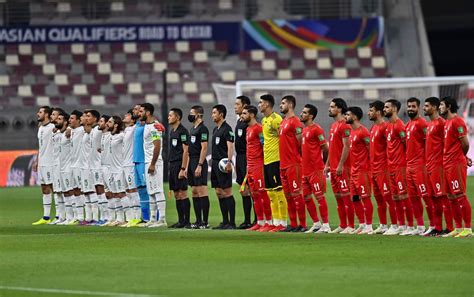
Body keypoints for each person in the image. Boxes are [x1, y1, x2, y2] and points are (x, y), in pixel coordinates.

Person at [439, 96, 472, 238]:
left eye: (441, 105)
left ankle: (468, 229)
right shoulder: (447, 123)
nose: (440, 107)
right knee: (451, 196)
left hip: (455, 163)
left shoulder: (458, 121)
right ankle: (458, 228)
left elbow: (465, 143)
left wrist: (462, 157)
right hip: (447, 163)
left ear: (449, 106)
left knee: (460, 195)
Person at [382, 99, 414, 235]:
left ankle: (411, 226)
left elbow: (406, 144)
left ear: (394, 109)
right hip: (391, 167)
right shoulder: (388, 126)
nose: (384, 109)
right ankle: (400, 225)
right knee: (395, 197)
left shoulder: (400, 125)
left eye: (387, 107)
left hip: (400, 166)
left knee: (404, 196)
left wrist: (404, 161)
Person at [423, 97, 453, 236]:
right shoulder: (430, 124)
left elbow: (449, 143)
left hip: (438, 166)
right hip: (429, 166)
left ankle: (450, 227)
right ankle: (438, 227)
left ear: (434, 107)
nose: (424, 108)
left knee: (442, 197)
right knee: (433, 198)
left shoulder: (441, 123)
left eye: (427, 106)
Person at [324, 98, 354, 234]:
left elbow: (346, 146)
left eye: (332, 107)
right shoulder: (333, 126)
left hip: (343, 167)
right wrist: (327, 164)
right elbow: (332, 148)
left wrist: (341, 165)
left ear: (340, 109)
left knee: (346, 196)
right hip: (334, 167)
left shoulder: (345, 125)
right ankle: (343, 225)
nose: (329, 109)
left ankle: (351, 226)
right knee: (338, 197)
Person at [258, 94, 287, 232]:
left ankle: (283, 222)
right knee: (270, 192)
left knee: (278, 191)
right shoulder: (264, 120)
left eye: (261, 102)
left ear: (267, 104)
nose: (259, 105)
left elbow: (283, 138)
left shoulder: (277, 119)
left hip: (276, 159)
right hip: (267, 159)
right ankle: (275, 223)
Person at [367, 101, 397, 234]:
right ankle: (383, 225)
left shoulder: (385, 127)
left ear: (378, 112)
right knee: (379, 199)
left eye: (371, 110)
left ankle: (395, 225)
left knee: (388, 198)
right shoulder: (373, 127)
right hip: (374, 169)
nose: (369, 112)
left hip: (383, 168)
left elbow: (391, 147)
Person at [405, 97, 434, 235]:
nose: (410, 109)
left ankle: (434, 225)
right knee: (413, 199)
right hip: (409, 167)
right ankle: (420, 226)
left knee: (426, 197)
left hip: (420, 167)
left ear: (418, 107)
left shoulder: (422, 124)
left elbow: (428, 144)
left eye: (413, 106)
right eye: (409, 106)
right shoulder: (408, 125)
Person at [241, 105, 273, 231]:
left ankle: (269, 221)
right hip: (251, 166)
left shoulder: (259, 129)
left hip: (259, 165)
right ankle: (260, 221)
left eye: (244, 113)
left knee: (263, 194)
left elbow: (264, 146)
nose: (242, 116)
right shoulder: (248, 129)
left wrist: (265, 165)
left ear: (252, 115)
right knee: (254, 195)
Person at [300, 104, 330, 234]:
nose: (302, 114)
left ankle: (326, 225)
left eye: (305, 112)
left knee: (319, 197)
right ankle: (316, 223)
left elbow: (325, 148)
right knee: (306, 197)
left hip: (315, 169)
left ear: (311, 116)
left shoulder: (317, 129)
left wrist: (324, 164)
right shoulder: (304, 130)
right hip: (305, 170)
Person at [278, 95, 306, 232]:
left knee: (296, 194)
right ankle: (293, 224)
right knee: (288, 196)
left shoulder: (295, 122)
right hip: (283, 165)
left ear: (290, 105)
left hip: (293, 164)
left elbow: (301, 142)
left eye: (283, 103)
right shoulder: (283, 122)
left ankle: (302, 224)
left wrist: (298, 158)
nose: (280, 106)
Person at [345, 106, 373, 234]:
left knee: (365, 198)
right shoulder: (351, 132)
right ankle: (361, 224)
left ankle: (369, 226)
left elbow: (370, 151)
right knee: (355, 198)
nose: (345, 116)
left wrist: (369, 168)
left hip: (363, 171)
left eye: (348, 114)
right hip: (354, 171)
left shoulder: (363, 132)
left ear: (355, 117)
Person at [139, 103, 167, 227]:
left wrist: (153, 163)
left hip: (154, 163)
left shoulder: (155, 127)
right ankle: (153, 219)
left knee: (158, 190)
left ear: (148, 112)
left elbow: (157, 145)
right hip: (148, 162)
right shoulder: (149, 125)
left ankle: (162, 219)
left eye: (141, 111)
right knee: (151, 191)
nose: (139, 114)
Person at [210, 104, 236, 229]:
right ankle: (225, 221)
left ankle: (232, 223)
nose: (212, 115)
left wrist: (229, 162)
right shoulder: (215, 129)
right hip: (215, 164)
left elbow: (230, 147)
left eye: (214, 112)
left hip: (223, 164)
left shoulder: (227, 129)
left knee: (227, 192)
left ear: (221, 114)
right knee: (219, 192)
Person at [187, 105, 211, 229]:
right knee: (195, 192)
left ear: (198, 115)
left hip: (198, 161)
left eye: (192, 113)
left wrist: (200, 165)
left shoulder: (203, 129)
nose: (190, 115)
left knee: (202, 191)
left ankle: (205, 222)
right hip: (191, 161)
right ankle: (198, 220)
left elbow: (204, 147)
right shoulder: (192, 129)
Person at [168, 108, 191, 228]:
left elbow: (186, 150)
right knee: (176, 194)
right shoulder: (172, 131)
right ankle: (180, 220)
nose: (168, 117)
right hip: (172, 164)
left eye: (171, 115)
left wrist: (183, 168)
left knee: (183, 193)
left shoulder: (183, 132)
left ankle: (186, 221)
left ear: (177, 117)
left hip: (179, 164)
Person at [32, 106, 55, 225]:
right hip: (42, 162)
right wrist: (37, 161)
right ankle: (46, 217)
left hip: (51, 162)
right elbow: (40, 146)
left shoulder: (52, 127)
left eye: (40, 112)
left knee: (55, 188)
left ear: (46, 114)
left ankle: (60, 216)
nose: (37, 114)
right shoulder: (40, 128)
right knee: (44, 188)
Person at [103, 116, 128, 226]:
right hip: (111, 169)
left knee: (121, 194)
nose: (107, 124)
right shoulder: (109, 136)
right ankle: (119, 218)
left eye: (110, 122)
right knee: (114, 194)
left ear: (116, 125)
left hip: (119, 169)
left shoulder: (122, 135)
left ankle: (129, 218)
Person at [234, 96, 253, 229]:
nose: (235, 107)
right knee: (243, 190)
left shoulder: (249, 123)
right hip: (240, 157)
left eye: (237, 104)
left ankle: (259, 220)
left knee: (252, 190)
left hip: (248, 157)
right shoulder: (239, 121)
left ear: (244, 105)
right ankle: (247, 220)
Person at [122, 110, 142, 227]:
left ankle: (137, 217)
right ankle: (130, 217)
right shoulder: (125, 130)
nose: (125, 116)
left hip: (130, 164)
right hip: (123, 164)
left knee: (133, 190)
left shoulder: (135, 128)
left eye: (128, 115)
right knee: (128, 191)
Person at [55, 111, 75, 225]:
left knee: (70, 191)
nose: (57, 121)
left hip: (69, 167)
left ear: (65, 122)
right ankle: (68, 217)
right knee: (65, 192)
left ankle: (75, 217)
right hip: (62, 167)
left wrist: (69, 129)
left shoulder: (69, 132)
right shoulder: (60, 133)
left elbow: (76, 130)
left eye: (59, 119)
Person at [82, 110, 101, 224]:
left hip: (98, 165)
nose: (86, 118)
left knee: (99, 191)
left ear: (95, 119)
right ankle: (91, 218)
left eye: (88, 116)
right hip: (89, 165)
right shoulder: (90, 131)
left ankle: (100, 217)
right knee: (88, 191)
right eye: (85, 116)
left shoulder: (98, 130)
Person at [132, 104, 151, 221]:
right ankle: (145, 217)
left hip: (144, 161)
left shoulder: (149, 126)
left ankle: (155, 217)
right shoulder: (138, 124)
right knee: (141, 190)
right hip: (136, 161)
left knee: (149, 190)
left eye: (138, 110)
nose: (136, 112)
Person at [67, 110, 86, 225]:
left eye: (72, 118)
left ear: (79, 120)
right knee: (74, 190)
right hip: (72, 164)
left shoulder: (82, 130)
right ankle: (77, 216)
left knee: (82, 190)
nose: (70, 120)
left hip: (80, 164)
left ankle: (84, 216)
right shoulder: (71, 131)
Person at [49, 107, 65, 224]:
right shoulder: (55, 131)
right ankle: (59, 215)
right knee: (56, 190)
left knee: (63, 190)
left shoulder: (65, 132)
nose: (52, 117)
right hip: (54, 163)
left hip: (61, 164)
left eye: (55, 115)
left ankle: (64, 216)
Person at [98, 114, 112, 225]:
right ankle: (108, 217)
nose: (99, 123)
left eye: (101, 121)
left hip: (110, 166)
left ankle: (120, 217)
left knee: (114, 192)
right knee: (106, 193)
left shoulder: (111, 135)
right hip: (102, 166)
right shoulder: (102, 135)